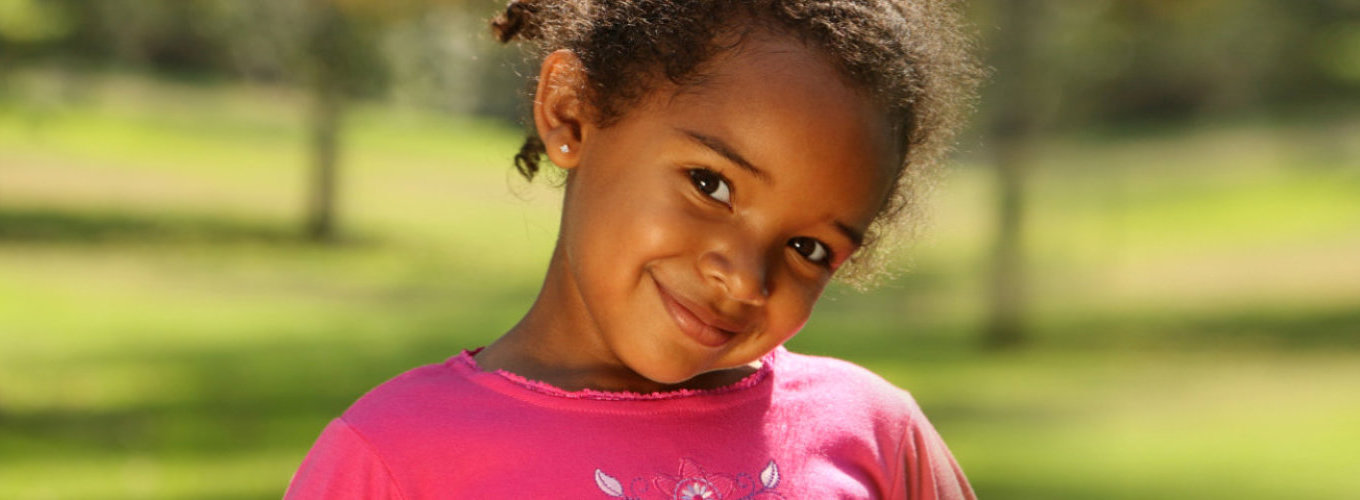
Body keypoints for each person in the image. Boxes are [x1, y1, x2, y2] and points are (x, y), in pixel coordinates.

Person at [286, 0, 980, 498]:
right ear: (572, 112)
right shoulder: (396, 458)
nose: (744, 279)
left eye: (807, 246)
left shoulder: (876, 435)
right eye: (711, 185)